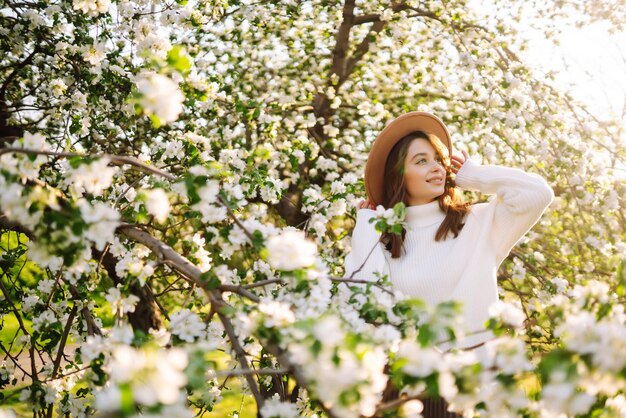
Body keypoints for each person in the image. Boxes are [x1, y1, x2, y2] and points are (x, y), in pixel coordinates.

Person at [343, 111, 554, 417]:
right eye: (421, 161)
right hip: (400, 393)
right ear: (398, 176)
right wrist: (366, 228)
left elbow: (537, 195)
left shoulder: (478, 223)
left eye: (438, 159)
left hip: (466, 391)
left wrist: (474, 175)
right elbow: (365, 302)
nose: (437, 168)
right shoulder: (387, 241)